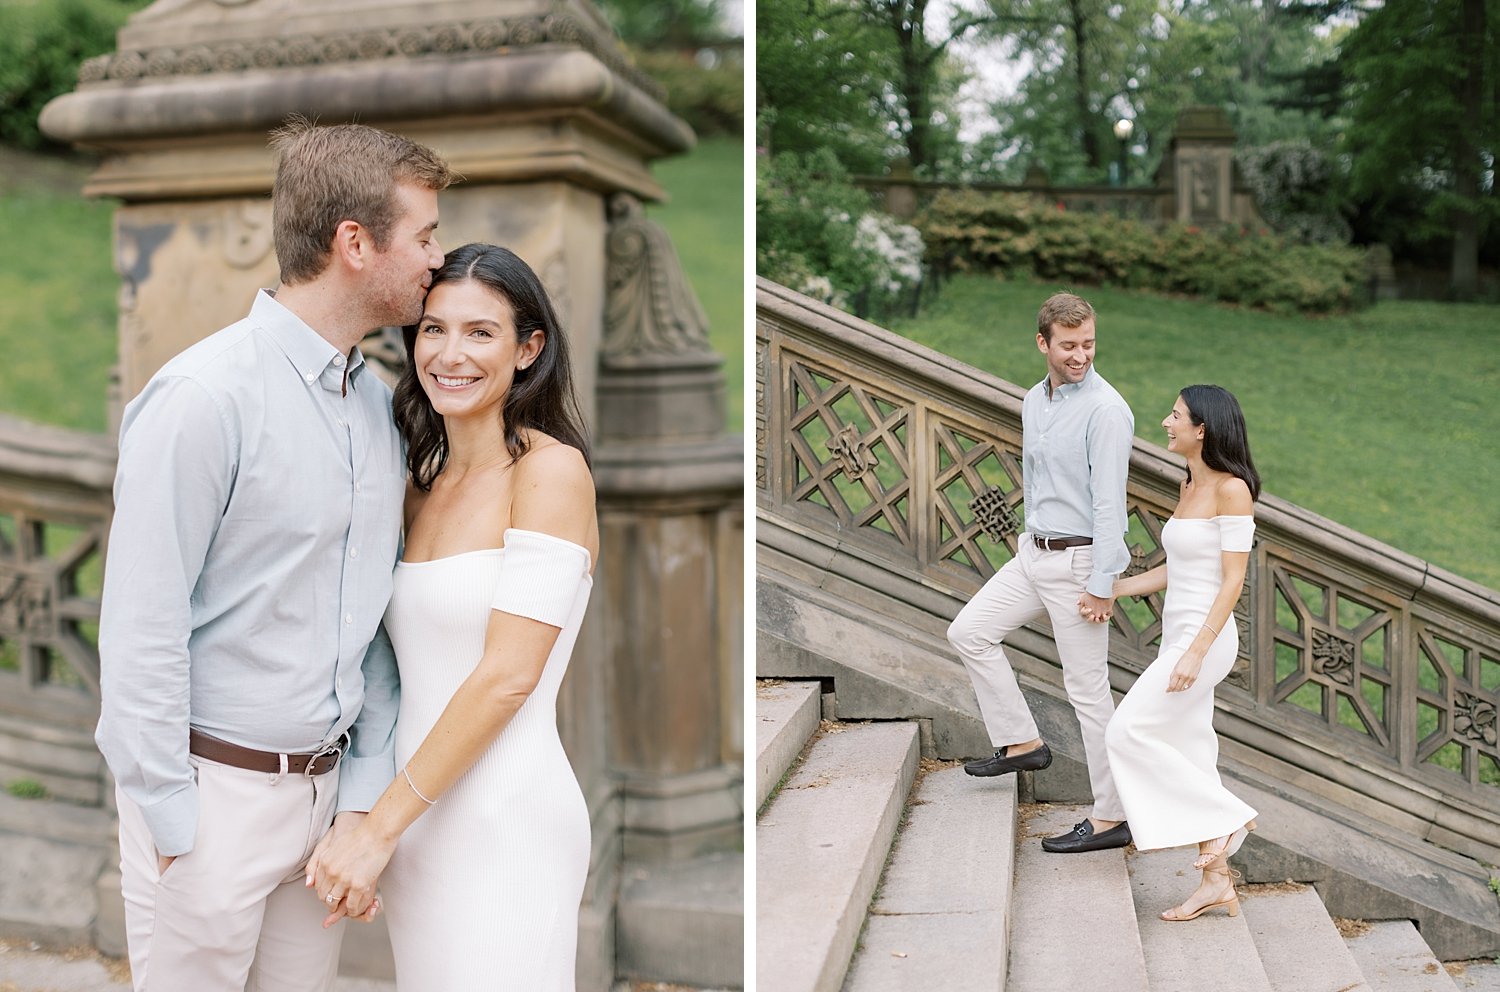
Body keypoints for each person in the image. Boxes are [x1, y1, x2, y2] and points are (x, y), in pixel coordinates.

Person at [95, 120, 454, 991]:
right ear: (355, 243)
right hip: (208, 802)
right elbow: (141, 625)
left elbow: (368, 623)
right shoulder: (201, 398)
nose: (437, 258)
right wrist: (174, 822)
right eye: (426, 234)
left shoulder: (375, 408)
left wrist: (361, 793)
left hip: (324, 810)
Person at [307, 243, 598, 992]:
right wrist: (370, 816)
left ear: (529, 349)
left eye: (480, 332)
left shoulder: (550, 472)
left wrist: (377, 828)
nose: (450, 353)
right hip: (417, 828)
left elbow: (507, 677)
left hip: (508, 821)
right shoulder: (420, 484)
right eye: (433, 329)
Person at [947, 291, 1135, 854]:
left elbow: (1110, 504)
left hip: (1079, 564)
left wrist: (1103, 582)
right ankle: (1021, 742)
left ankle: (1112, 816)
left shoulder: (1106, 410)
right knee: (969, 632)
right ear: (1043, 343)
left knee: (1088, 693)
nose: (1081, 355)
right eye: (1070, 345)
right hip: (1033, 554)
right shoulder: (1035, 399)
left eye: (1089, 344)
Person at [1105, 384, 1260, 920]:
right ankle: (1215, 884)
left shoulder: (1233, 491)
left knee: (1125, 732)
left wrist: (1195, 653)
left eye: (1176, 416)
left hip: (1205, 641)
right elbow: (1183, 567)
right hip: (1180, 636)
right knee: (1195, 751)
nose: (1166, 422)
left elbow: (1231, 581)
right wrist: (1116, 589)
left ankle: (1227, 820)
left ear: (1203, 429)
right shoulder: (1191, 481)